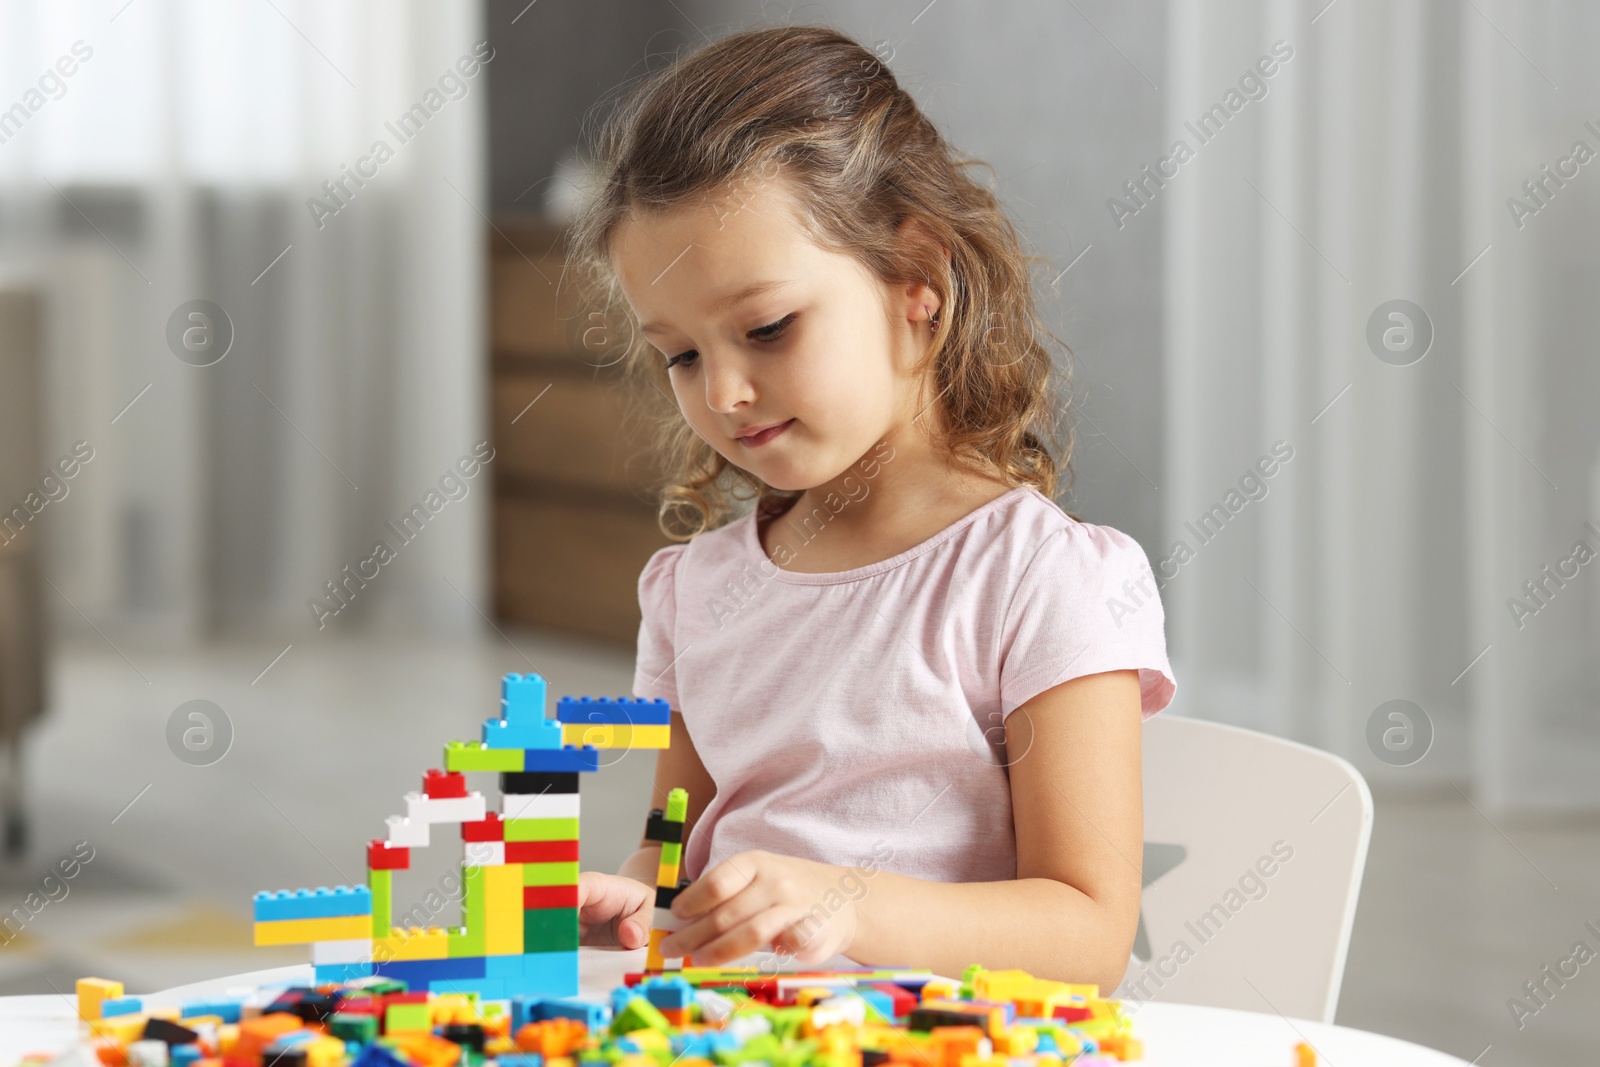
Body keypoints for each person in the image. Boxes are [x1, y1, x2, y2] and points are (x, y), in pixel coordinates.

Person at [563, 23, 1175, 989]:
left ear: (915, 278)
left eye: (766, 328)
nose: (720, 391)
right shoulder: (694, 591)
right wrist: (642, 895)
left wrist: (842, 901)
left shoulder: (1039, 579)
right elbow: (669, 845)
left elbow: (1087, 930)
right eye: (680, 353)